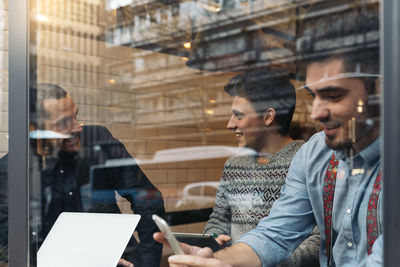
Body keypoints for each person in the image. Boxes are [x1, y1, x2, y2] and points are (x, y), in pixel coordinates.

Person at [154, 6, 383, 267]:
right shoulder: (314, 155)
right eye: (313, 96)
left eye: (333, 96)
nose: (316, 113)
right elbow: (276, 234)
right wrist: (218, 259)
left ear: (380, 89)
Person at [0, 83, 166, 267]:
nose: (77, 127)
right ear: (34, 129)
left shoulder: (99, 139)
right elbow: (7, 246)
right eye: (63, 123)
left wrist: (148, 263)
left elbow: (148, 200)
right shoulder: (11, 172)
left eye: (75, 116)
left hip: (123, 260)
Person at [203, 70, 319, 266]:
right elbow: (218, 220)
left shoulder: (308, 162)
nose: (230, 124)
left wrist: (257, 261)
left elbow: (319, 238)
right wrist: (213, 240)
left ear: (268, 117)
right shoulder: (234, 165)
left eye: (238, 116)